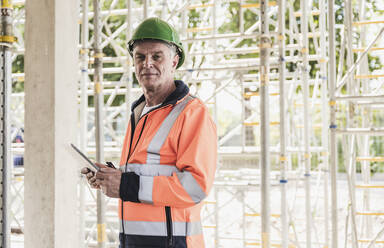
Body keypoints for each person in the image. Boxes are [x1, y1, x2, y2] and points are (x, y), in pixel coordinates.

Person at [81, 17, 217, 248]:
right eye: (140, 57)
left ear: (174, 61)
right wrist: (111, 177)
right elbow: (143, 170)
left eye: (156, 56)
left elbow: (196, 186)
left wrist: (124, 185)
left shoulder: (192, 113)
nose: (147, 63)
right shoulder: (140, 111)